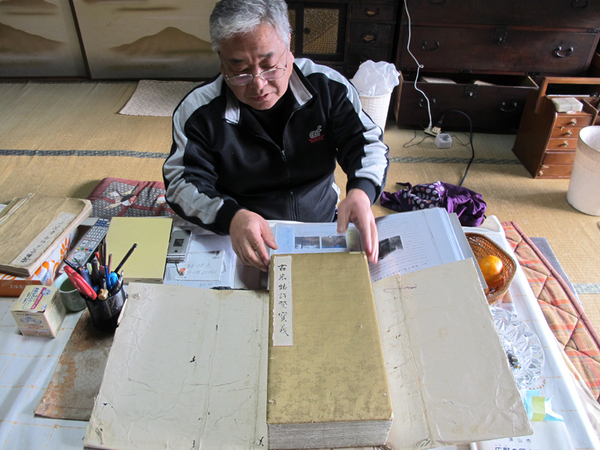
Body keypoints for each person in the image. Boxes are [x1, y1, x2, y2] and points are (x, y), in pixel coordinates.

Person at [163, 0, 389, 272]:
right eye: (240, 72)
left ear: (288, 45)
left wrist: (362, 191)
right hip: (243, 234)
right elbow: (181, 182)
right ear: (222, 62)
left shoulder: (327, 87)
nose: (259, 85)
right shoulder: (199, 112)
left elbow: (366, 142)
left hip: (321, 223)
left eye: (269, 66)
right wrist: (230, 216)